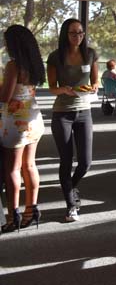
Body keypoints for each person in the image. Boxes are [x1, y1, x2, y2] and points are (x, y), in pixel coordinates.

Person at [47, 18, 98, 222]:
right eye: (73, 33)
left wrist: (94, 87)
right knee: (66, 161)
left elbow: (94, 81)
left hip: (84, 111)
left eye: (80, 33)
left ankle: (70, 186)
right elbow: (51, 87)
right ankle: (71, 205)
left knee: (85, 162)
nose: (78, 36)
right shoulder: (55, 57)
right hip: (62, 113)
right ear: (65, 35)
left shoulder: (90, 53)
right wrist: (64, 90)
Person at [1, 25, 45, 232]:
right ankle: (31, 210)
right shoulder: (35, 65)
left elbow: (5, 97)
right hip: (35, 120)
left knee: (12, 169)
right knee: (29, 166)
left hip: (16, 122)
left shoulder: (13, 65)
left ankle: (12, 216)